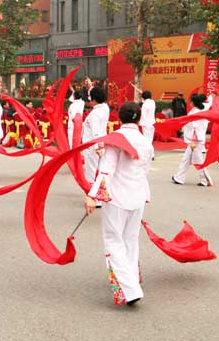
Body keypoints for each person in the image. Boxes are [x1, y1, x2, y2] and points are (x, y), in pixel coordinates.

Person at [85, 102, 153, 306]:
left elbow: (106, 170)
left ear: (119, 118)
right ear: (139, 119)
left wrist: (92, 195)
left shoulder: (115, 140)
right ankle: (131, 280)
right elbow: (144, 170)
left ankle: (130, 289)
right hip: (137, 196)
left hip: (117, 197)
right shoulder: (145, 142)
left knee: (113, 241)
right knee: (130, 241)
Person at [172, 94, 213, 187]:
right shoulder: (204, 108)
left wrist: (191, 141)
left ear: (194, 102)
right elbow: (210, 101)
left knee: (198, 161)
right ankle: (179, 178)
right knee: (186, 159)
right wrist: (211, 95)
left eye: (191, 101)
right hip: (197, 139)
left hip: (194, 140)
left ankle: (206, 180)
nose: (189, 103)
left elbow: (193, 128)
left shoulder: (193, 113)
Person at [82, 86, 110, 196]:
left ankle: (94, 196)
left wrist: (97, 147)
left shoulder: (95, 114)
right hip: (102, 143)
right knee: (100, 171)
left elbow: (95, 132)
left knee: (91, 173)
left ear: (94, 99)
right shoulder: (105, 108)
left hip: (93, 146)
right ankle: (100, 194)